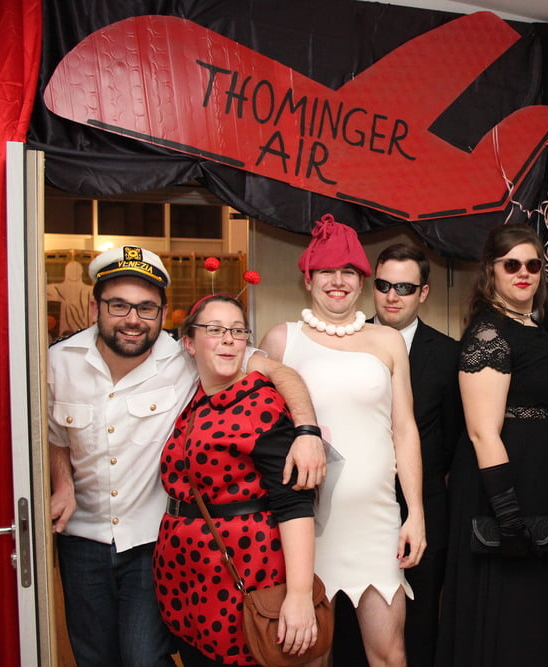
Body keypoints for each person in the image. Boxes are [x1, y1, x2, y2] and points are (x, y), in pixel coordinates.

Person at [48, 245, 326, 666]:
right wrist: (62, 483)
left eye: (146, 308)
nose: (133, 319)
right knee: (93, 656)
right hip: (87, 539)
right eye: (119, 305)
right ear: (94, 308)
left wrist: (306, 431)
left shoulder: (183, 354)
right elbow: (56, 435)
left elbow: (278, 372)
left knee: (145, 658)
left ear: (163, 314)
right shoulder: (58, 361)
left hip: (149, 542)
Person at [259, 215, 426, 667]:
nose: (338, 281)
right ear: (308, 278)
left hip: (376, 520)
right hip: (306, 526)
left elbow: (404, 429)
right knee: (311, 656)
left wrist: (415, 513)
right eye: (327, 271)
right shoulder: (282, 340)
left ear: (361, 281)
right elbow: (261, 431)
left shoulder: (387, 341)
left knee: (389, 653)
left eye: (349, 271)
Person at [436, 223, 548, 667]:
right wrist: (510, 516)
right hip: (502, 491)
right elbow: (482, 432)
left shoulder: (535, 329)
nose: (524, 273)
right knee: (506, 615)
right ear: (491, 271)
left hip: (540, 487)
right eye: (512, 264)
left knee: (534, 615)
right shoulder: (489, 334)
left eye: (533, 265)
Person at [153, 294, 318, 665]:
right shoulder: (192, 396)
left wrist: (299, 595)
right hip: (185, 578)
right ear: (189, 343)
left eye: (238, 330)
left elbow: (294, 503)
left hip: (243, 572)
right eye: (215, 330)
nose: (228, 339)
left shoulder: (262, 404)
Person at [333, 243, 463, 667]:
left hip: (420, 508)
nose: (392, 296)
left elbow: (452, 438)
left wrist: (421, 498)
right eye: (384, 285)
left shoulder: (448, 354)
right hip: (351, 508)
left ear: (423, 293)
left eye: (404, 288)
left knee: (419, 624)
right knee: (349, 621)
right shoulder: (344, 342)